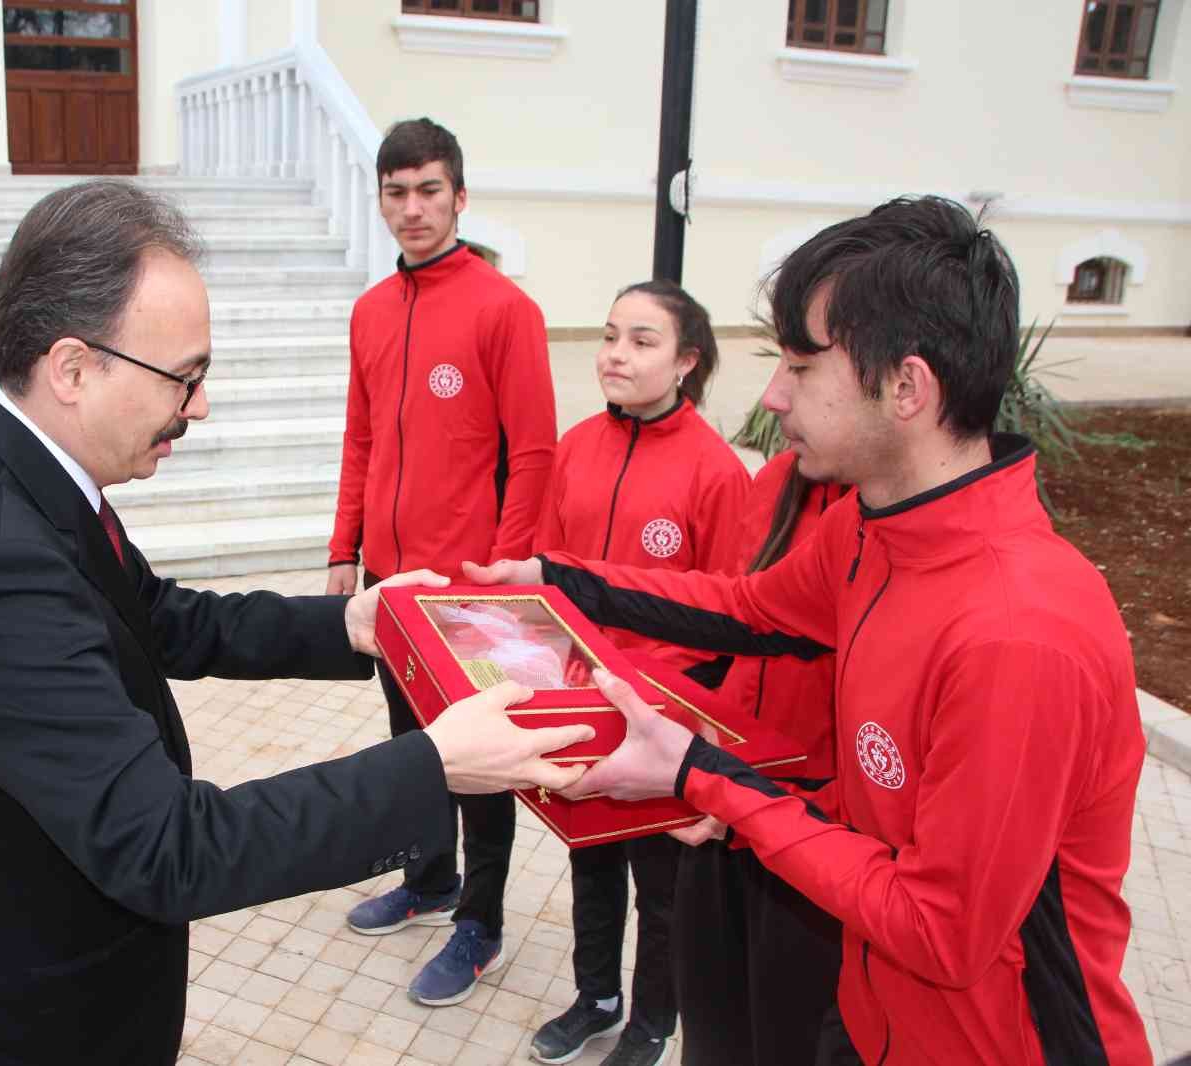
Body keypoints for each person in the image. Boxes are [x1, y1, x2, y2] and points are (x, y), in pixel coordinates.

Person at [0, 179, 593, 1066]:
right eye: (185, 377)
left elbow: (159, 617)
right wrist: (432, 765)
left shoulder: (15, 464)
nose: (198, 407)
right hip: (27, 1016)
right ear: (72, 367)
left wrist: (350, 624)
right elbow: (169, 846)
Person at [466, 196, 1151, 1065]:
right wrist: (556, 578)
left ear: (907, 386)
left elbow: (942, 932)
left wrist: (703, 779)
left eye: (800, 364)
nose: (773, 396)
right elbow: (749, 610)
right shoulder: (872, 526)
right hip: (867, 1016)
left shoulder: (1018, 633)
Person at [326, 117, 558, 1007]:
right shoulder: (371, 312)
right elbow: (361, 438)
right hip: (390, 580)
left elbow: (533, 453)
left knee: (482, 761)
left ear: (460, 196)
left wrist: (505, 577)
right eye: (396, 191)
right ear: (381, 199)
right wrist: (345, 551)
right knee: (410, 745)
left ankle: (483, 923)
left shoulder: (506, 308)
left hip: (470, 589)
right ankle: (430, 881)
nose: (412, 208)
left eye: (429, 189)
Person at [528, 279, 747, 1066]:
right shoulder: (578, 445)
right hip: (582, 703)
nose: (617, 354)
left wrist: (680, 715)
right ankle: (596, 996)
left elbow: (730, 618)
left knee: (662, 885)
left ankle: (655, 1016)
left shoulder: (717, 473)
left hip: (663, 725)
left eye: (642, 341)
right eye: (612, 335)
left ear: (687, 362)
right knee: (589, 858)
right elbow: (551, 576)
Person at [669, 447, 848, 1066]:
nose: (774, 394)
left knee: (789, 1038)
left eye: (802, 366)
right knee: (714, 1032)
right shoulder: (778, 477)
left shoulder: (898, 519)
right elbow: (734, 625)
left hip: (819, 836)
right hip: (731, 803)